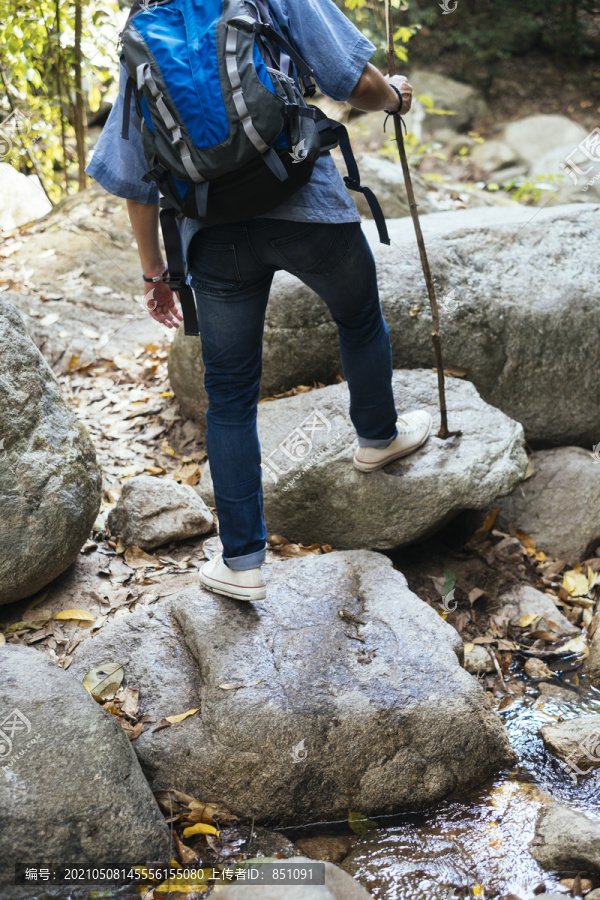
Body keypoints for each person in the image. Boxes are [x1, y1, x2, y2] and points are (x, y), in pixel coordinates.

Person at [87, 0, 432, 603]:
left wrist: (154, 271)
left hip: (212, 232)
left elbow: (134, 171)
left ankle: (242, 560)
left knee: (229, 394)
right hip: (304, 199)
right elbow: (349, 79)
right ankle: (378, 437)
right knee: (357, 318)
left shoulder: (145, 27)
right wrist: (397, 98)